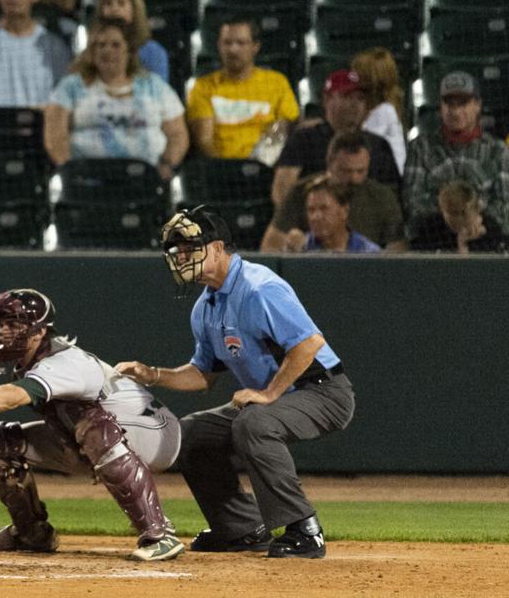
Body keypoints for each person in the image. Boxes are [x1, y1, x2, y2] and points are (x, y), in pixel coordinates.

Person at [116, 207, 354, 559]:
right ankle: (240, 528)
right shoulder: (205, 306)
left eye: (189, 248)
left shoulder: (259, 287)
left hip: (322, 391)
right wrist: (153, 374)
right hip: (278, 397)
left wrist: (269, 393)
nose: (181, 258)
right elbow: (202, 375)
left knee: (254, 421)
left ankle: (305, 529)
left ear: (216, 248)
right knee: (191, 434)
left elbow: (309, 344)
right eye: (177, 251)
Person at [0, 289, 184, 561]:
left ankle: (159, 533)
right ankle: (32, 533)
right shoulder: (32, 360)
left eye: (13, 325)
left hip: (153, 435)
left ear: (39, 331)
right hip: (107, 438)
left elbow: (12, 396)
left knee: (93, 425)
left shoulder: (63, 361)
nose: (2, 332)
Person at [44, 18, 188, 178]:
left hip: (145, 179)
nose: (107, 51)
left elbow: (177, 135)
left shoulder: (155, 86)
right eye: (101, 45)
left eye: (116, 45)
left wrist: (166, 166)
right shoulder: (70, 87)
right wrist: (69, 172)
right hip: (87, 180)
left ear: (129, 51)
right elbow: (55, 135)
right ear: (92, 51)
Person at [261, 130, 407, 252]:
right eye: (346, 171)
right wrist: (291, 250)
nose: (354, 179)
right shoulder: (303, 192)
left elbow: (398, 252)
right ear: (330, 163)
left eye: (361, 171)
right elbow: (270, 247)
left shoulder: (381, 197)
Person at [270, 68, 400, 205]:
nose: (354, 104)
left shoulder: (378, 144)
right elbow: (282, 190)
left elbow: (392, 196)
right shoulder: (305, 139)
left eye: (360, 98)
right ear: (327, 100)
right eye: (347, 96)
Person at [404, 70, 509, 234]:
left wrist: (474, 220)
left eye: (463, 103)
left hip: (486, 237)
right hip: (434, 237)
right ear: (440, 107)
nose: (455, 111)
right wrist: (453, 218)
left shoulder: (497, 150)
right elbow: (412, 203)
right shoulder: (420, 147)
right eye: (449, 103)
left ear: (477, 105)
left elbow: (505, 205)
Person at [185, 16, 299, 160]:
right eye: (227, 43)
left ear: (255, 46)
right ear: (219, 46)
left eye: (241, 43)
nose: (233, 50)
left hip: (266, 166)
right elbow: (204, 140)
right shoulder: (203, 87)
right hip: (220, 169)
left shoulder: (276, 83)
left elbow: (286, 126)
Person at [92, 0, 168, 81]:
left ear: (134, 10)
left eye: (121, 3)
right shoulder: (91, 51)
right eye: (108, 4)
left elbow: (159, 92)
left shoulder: (153, 52)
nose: (114, 8)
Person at [410, 178, 509, 253]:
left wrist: (465, 244)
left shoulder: (491, 230)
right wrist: (460, 245)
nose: (458, 219)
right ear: (442, 210)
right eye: (453, 213)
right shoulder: (430, 229)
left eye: (463, 213)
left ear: (477, 209)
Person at [287, 177, 382, 253]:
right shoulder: (300, 249)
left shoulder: (369, 254)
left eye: (324, 208)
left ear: (344, 211)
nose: (316, 217)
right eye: (311, 210)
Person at [351, 47, 406, 174]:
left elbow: (362, 146)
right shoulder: (373, 110)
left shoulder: (384, 112)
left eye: (356, 75)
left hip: (387, 181)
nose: (352, 79)